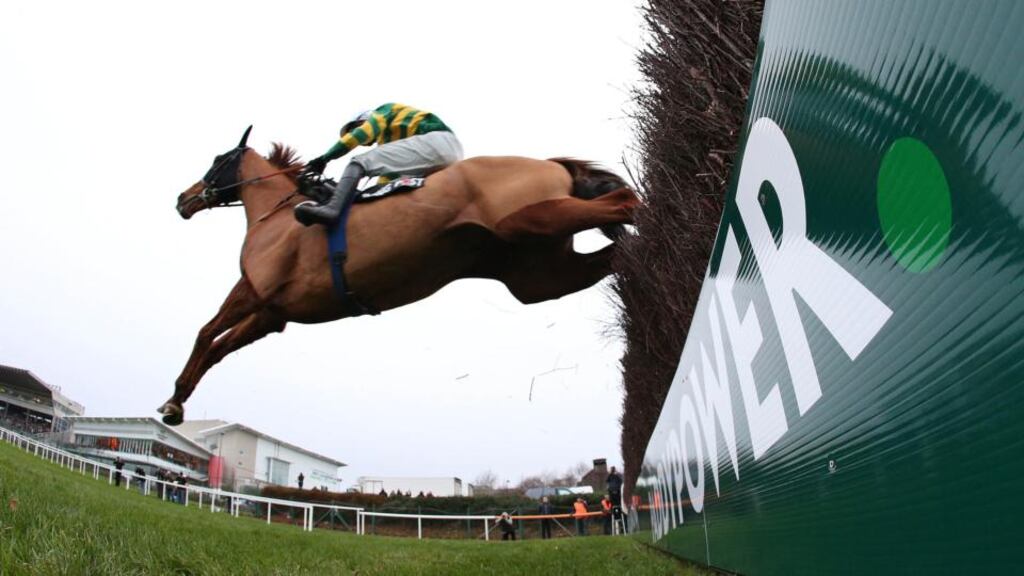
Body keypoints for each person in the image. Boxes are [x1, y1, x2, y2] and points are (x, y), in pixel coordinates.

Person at [294, 103, 463, 227]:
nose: (355, 136)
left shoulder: (383, 111)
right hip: (449, 151)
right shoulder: (394, 147)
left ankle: (332, 210)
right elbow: (384, 187)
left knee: (359, 162)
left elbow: (361, 134)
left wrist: (324, 158)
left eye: (352, 129)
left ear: (362, 120)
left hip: (436, 142)